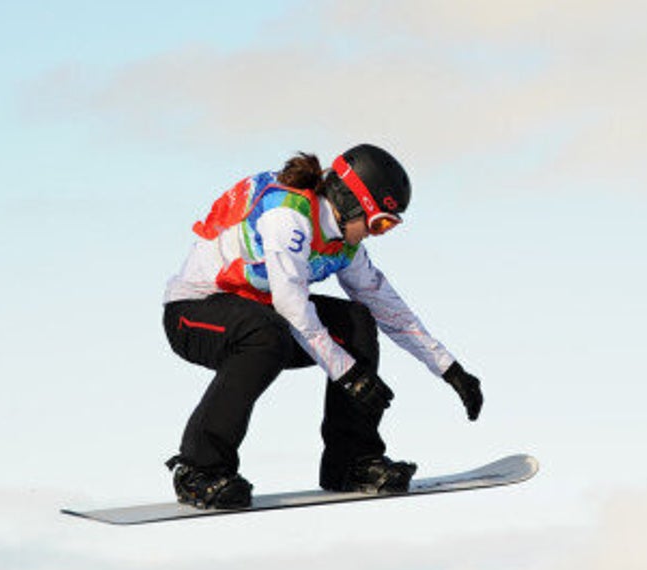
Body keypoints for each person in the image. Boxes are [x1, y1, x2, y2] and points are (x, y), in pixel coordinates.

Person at [161, 144, 483, 509]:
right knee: (267, 334)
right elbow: (291, 306)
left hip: (265, 318)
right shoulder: (288, 217)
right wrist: (350, 375)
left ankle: (351, 461)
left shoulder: (343, 244)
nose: (379, 234)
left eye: (390, 225)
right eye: (380, 223)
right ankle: (199, 469)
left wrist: (449, 369)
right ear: (349, 201)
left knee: (356, 323)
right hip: (193, 313)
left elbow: (387, 307)